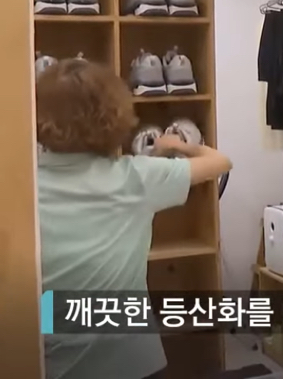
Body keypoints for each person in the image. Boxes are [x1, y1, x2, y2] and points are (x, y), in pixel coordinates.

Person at [36, 59, 233, 379]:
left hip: (55, 365)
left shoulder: (23, 188)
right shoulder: (137, 177)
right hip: (134, 364)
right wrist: (174, 145)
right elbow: (220, 162)